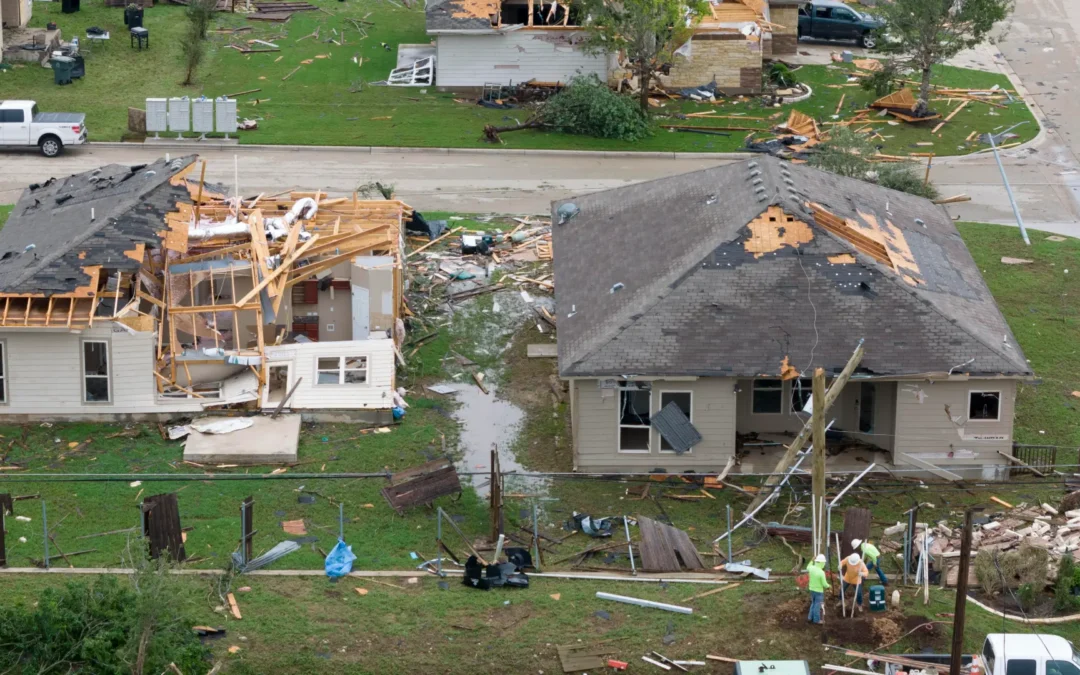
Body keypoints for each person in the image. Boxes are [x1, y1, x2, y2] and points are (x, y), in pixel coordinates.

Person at [807, 553, 830, 624]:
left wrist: (811, 560)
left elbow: (808, 566)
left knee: (813, 603)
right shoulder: (821, 572)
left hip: (811, 589)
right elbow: (824, 584)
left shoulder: (811, 568)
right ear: (822, 563)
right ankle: (816, 620)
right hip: (819, 592)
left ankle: (810, 617)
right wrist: (829, 586)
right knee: (817, 605)